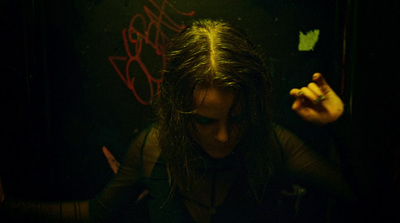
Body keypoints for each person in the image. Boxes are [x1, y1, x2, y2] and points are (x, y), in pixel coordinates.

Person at [0, 19, 371, 222]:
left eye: (236, 117)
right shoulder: (153, 148)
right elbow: (97, 211)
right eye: (207, 122)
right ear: (180, 114)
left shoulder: (269, 145)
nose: (225, 136)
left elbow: (370, 201)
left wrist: (340, 124)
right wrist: (10, 205)